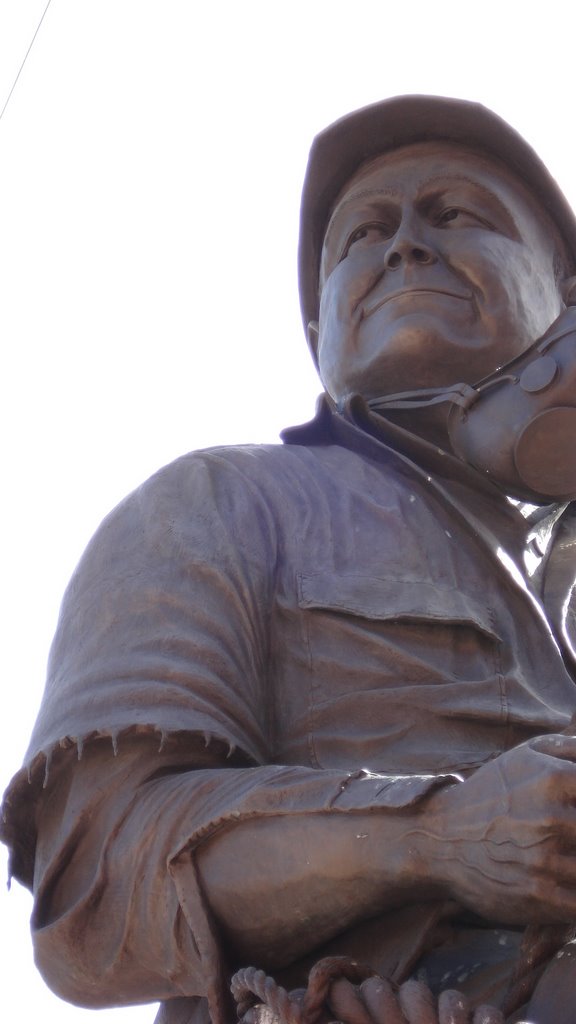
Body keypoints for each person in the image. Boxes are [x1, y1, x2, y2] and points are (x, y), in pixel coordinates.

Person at [3, 96, 576, 1024]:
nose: (404, 246)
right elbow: (97, 896)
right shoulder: (219, 501)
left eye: (458, 214)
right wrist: (437, 834)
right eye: (362, 235)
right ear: (321, 336)